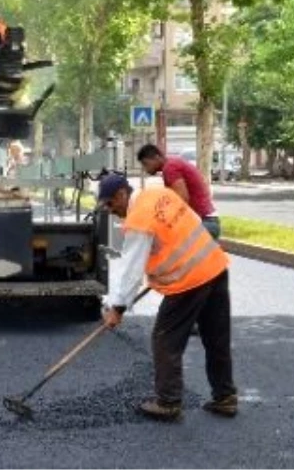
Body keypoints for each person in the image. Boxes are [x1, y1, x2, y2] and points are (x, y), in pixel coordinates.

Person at [97, 174, 237, 421]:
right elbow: (192, 222)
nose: (110, 211)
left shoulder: (139, 218)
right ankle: (225, 398)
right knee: (216, 338)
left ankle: (168, 402)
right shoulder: (160, 194)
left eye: (110, 203)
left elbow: (131, 269)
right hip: (214, 266)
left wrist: (116, 307)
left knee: (165, 339)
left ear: (121, 194)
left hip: (189, 281)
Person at [137, 144, 220, 239]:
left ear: (157, 157)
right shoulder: (173, 164)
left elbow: (181, 199)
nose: (145, 169)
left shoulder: (170, 168)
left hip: (205, 223)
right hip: (207, 222)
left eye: (146, 164)